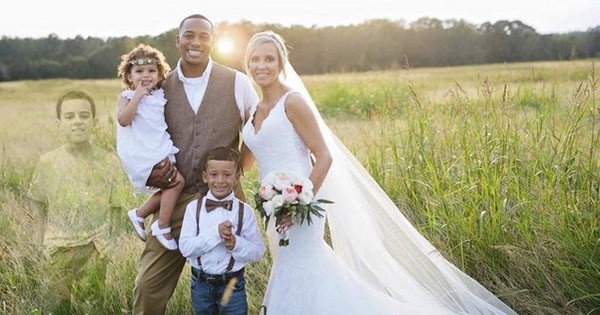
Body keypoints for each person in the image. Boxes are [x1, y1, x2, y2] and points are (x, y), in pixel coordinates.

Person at [240, 31, 519, 314]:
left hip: (303, 204)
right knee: (288, 263)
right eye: (255, 59)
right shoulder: (253, 110)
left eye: (269, 59)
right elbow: (247, 161)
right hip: (273, 205)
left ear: (281, 63)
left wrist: (299, 202)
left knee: (302, 264)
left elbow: (324, 155)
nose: (261, 65)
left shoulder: (292, 102)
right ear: (247, 64)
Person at [132, 14, 259, 314]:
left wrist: (237, 171)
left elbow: (256, 132)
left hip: (224, 200)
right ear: (178, 40)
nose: (196, 42)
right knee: (148, 287)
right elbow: (140, 135)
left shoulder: (237, 82)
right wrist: (151, 171)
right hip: (173, 201)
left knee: (228, 287)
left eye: (204, 36)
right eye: (189, 35)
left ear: (212, 42)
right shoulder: (158, 87)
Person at [27, 89, 129, 313]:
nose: (77, 122)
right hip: (56, 250)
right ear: (59, 123)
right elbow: (37, 203)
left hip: (94, 249)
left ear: (93, 122)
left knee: (92, 307)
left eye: (84, 116)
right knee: (55, 308)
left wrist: (110, 244)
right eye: (69, 117)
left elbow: (117, 208)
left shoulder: (109, 162)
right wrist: (40, 242)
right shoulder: (48, 162)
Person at [179, 146, 266, 315]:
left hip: (232, 285)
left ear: (237, 177)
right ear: (205, 177)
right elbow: (185, 248)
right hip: (201, 285)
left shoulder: (244, 211)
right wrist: (215, 234)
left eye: (227, 175)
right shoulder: (193, 209)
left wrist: (236, 244)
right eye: (214, 175)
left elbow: (258, 251)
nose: (220, 180)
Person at [116, 43, 185, 250]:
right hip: (143, 152)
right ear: (129, 76)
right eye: (139, 71)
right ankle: (161, 225)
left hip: (159, 146)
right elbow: (123, 120)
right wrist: (137, 96)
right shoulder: (126, 97)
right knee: (176, 183)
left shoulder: (159, 95)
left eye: (151, 70)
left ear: (159, 73)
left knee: (170, 185)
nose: (145, 75)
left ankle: (139, 214)